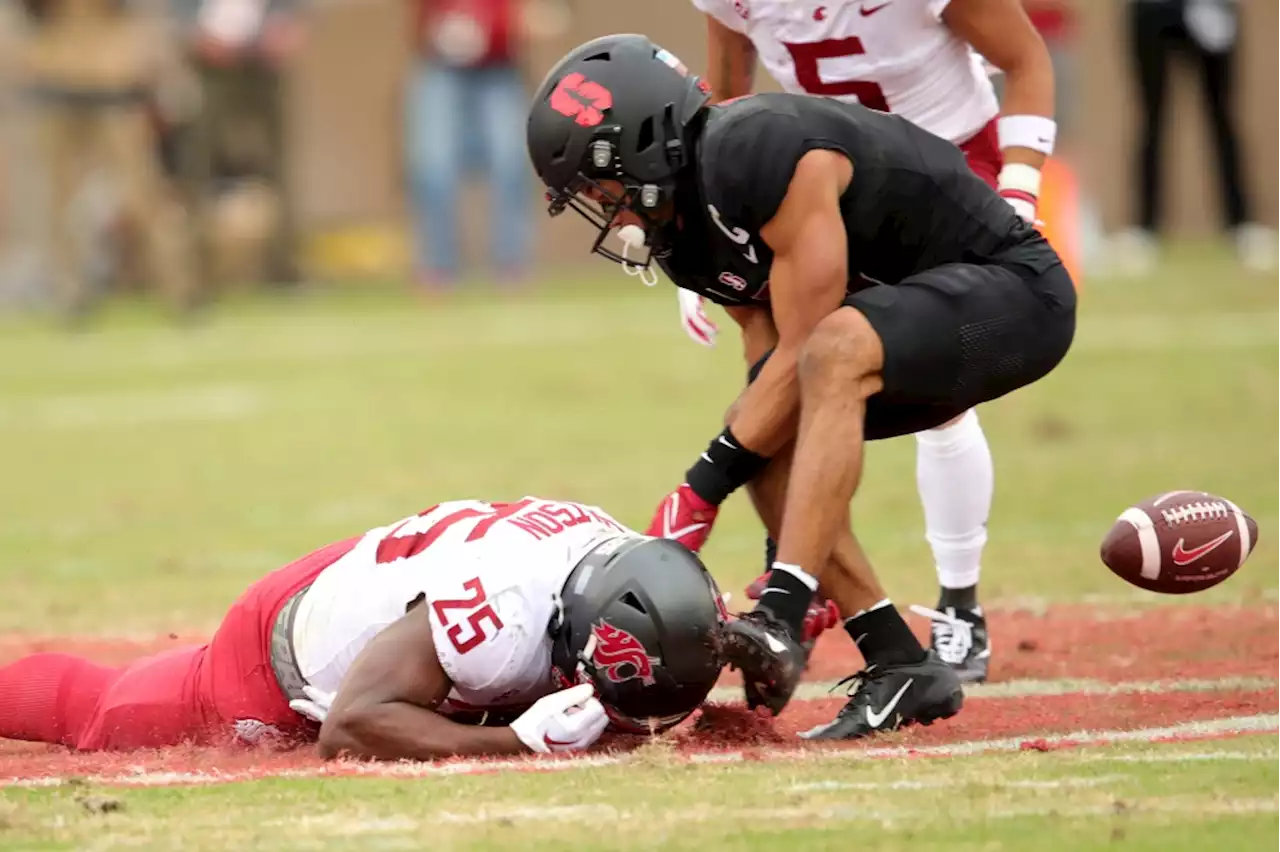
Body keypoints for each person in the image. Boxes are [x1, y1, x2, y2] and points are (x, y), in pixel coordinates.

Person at [526, 34, 1077, 739]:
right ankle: (897, 660)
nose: (607, 209)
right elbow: (771, 374)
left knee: (830, 352)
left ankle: (783, 613)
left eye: (600, 186)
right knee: (761, 425)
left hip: (1017, 297)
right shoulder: (684, 233)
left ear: (640, 144)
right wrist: (746, 494)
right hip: (898, 320)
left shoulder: (759, 148)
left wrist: (699, 489)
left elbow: (810, 343)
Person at [672, 0, 1060, 685]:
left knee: (938, 402)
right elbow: (726, 101)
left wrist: (1020, 192)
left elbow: (1026, 59)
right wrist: (706, 239)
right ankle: (797, 585)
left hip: (945, 172)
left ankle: (958, 606)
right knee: (778, 379)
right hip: (814, 187)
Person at [0, 496, 726, 757]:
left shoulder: (613, 560)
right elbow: (351, 726)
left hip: (384, 584)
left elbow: (668, 620)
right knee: (104, 711)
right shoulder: (495, 615)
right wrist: (515, 741)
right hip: (277, 657)